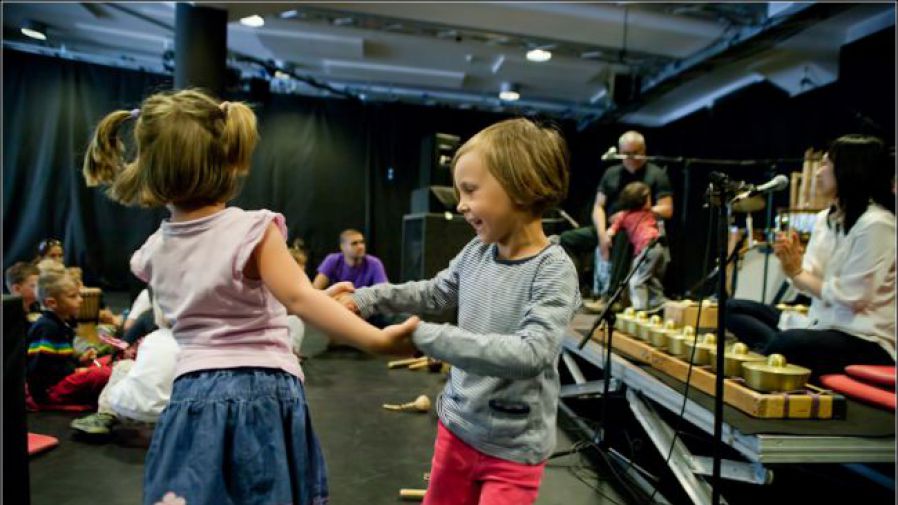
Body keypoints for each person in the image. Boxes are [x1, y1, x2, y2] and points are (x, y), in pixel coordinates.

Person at [81, 88, 418, 505]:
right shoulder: (254, 230)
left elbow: (219, 306)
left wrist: (319, 300)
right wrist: (378, 340)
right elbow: (297, 300)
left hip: (190, 397)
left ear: (149, 167)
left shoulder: (150, 253)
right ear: (227, 160)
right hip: (260, 392)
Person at [335, 118, 581, 505]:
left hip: (512, 449)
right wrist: (367, 298)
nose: (461, 205)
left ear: (522, 185)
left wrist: (424, 338)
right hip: (457, 429)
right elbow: (434, 293)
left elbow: (532, 354)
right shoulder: (477, 252)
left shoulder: (553, 270)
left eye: (469, 190)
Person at [725, 134, 895, 376]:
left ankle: (775, 354)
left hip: (865, 338)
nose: (817, 173)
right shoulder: (824, 219)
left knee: (790, 343)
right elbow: (808, 283)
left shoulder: (877, 225)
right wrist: (791, 266)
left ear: (850, 170)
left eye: (826, 165)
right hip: (821, 324)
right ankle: (777, 355)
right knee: (732, 308)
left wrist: (797, 272)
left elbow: (852, 297)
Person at [560, 131, 673, 299]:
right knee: (567, 239)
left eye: (636, 152)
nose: (631, 157)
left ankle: (612, 296)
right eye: (626, 153)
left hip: (634, 231)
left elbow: (667, 209)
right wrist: (601, 236)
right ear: (619, 151)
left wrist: (631, 214)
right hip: (607, 228)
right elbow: (599, 206)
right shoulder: (611, 173)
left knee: (622, 234)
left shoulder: (656, 174)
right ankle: (578, 290)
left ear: (644, 150)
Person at [26, 263, 111, 405]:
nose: (80, 299)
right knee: (102, 374)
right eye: (73, 296)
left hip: (63, 378)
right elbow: (40, 369)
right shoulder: (47, 327)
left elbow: (59, 360)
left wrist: (80, 360)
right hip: (49, 390)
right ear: (52, 303)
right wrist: (76, 370)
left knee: (108, 360)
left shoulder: (61, 323)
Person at [608, 181, 669, 311]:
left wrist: (610, 234)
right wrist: (610, 233)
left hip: (648, 247)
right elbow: (614, 225)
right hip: (655, 247)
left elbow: (613, 226)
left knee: (636, 280)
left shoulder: (636, 214)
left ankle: (640, 309)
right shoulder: (630, 215)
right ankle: (657, 302)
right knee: (648, 277)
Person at [312, 228, 388, 290]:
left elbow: (383, 292)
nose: (360, 247)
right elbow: (315, 289)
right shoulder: (332, 260)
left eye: (362, 242)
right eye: (354, 243)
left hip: (364, 306)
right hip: (337, 304)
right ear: (342, 247)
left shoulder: (374, 263)